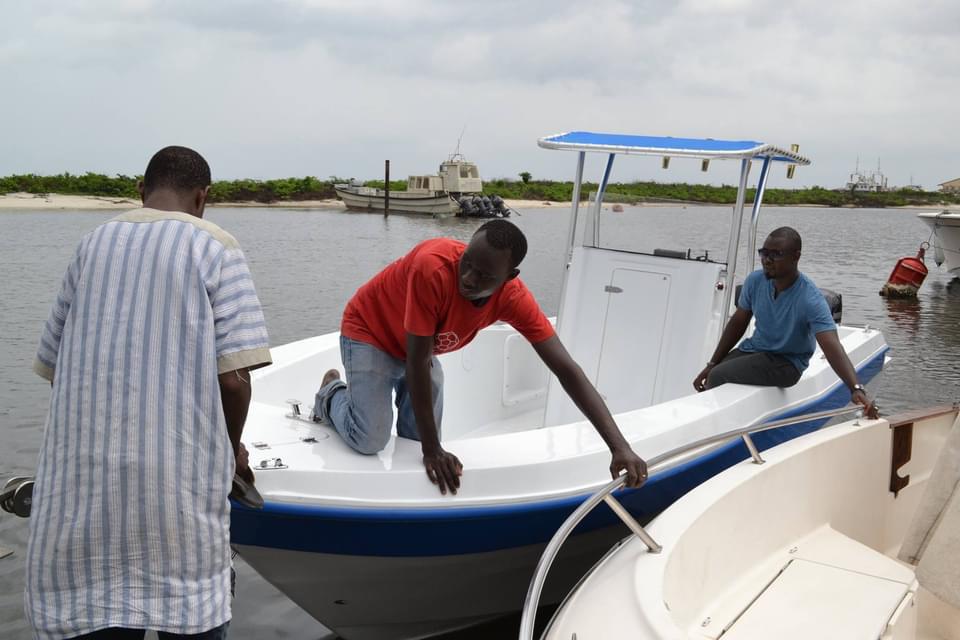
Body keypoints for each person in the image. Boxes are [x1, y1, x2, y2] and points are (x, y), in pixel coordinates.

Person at [26, 146, 271, 639]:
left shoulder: (91, 244)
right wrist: (230, 451)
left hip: (82, 496)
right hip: (174, 500)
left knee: (91, 609)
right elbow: (233, 380)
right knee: (191, 609)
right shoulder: (217, 246)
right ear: (204, 198)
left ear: (139, 192)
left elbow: (53, 366)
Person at [314, 220, 648, 495]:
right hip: (370, 332)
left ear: (509, 277)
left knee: (414, 442)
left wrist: (619, 446)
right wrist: (433, 451)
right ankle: (331, 393)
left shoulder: (514, 299)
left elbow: (566, 369)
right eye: (467, 263)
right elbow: (416, 363)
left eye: (485, 275)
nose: (469, 279)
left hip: (419, 347)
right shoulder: (431, 267)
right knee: (370, 439)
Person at [692, 226, 877, 417]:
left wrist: (855, 388)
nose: (767, 260)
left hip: (787, 362)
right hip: (755, 350)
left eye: (776, 254)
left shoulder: (810, 298)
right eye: (764, 253)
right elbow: (738, 323)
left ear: (795, 257)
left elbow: (831, 345)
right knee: (714, 371)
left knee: (718, 375)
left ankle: (723, 427)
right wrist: (713, 362)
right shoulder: (755, 281)